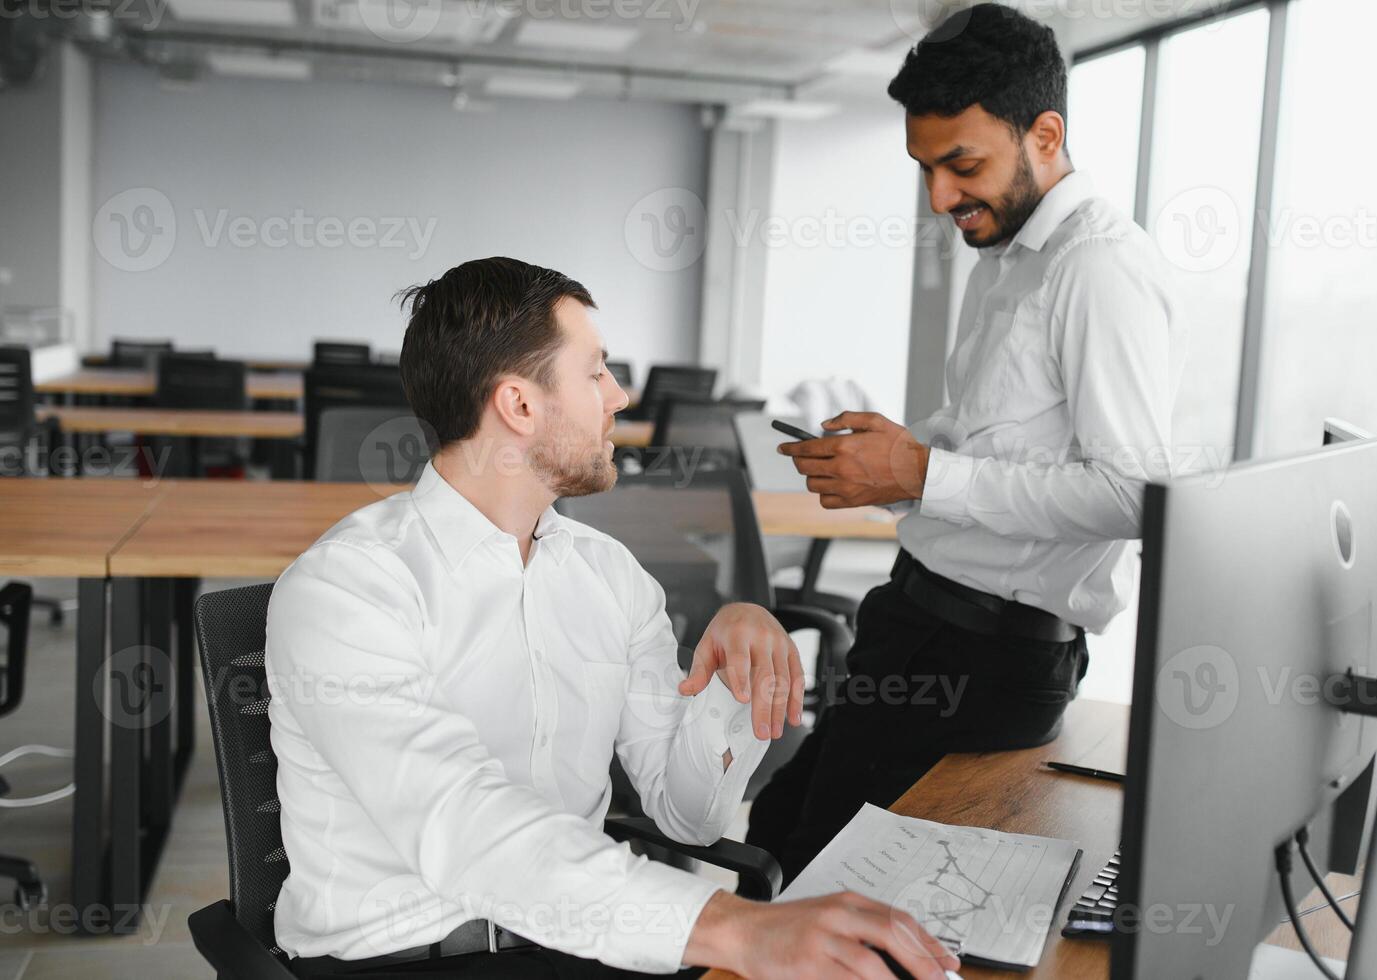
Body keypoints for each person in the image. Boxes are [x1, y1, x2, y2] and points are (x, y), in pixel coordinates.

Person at [266, 256, 960, 979]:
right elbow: (462, 826)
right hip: (401, 961)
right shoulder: (347, 588)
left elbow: (686, 817)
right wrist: (734, 928)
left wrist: (731, 669)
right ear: (519, 405)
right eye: (595, 372)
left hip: (579, 943)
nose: (620, 396)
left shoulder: (609, 575)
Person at [748, 4, 1186, 883]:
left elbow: (1132, 494)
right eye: (925, 168)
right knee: (778, 830)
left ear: (1044, 134)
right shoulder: (1008, 258)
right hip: (914, 624)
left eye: (962, 165)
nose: (940, 197)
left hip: (982, 658)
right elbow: (998, 441)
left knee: (828, 891)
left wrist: (926, 472)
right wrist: (900, 464)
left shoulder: (1097, 269)